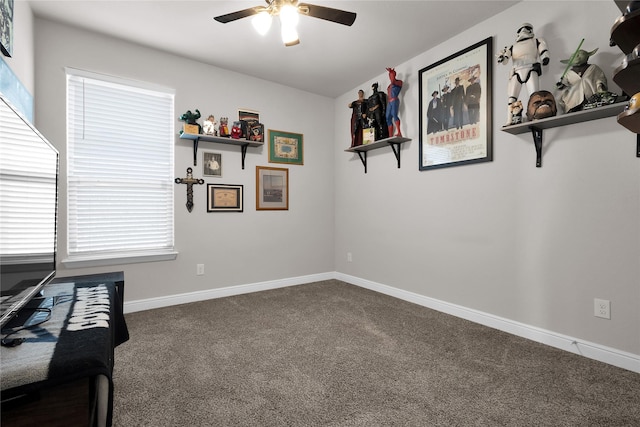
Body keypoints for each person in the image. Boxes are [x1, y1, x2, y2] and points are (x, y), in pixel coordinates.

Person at [497, 23, 550, 124]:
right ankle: (509, 120)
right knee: (512, 98)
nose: (524, 30)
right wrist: (502, 57)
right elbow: (505, 60)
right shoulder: (512, 47)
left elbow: (543, 50)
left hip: (531, 68)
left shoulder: (536, 41)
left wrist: (545, 57)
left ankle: (534, 116)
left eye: (526, 28)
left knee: (534, 96)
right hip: (517, 71)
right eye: (521, 29)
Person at [386, 68, 403, 137]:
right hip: (389, 102)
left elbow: (393, 81)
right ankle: (390, 135)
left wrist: (392, 72)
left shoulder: (398, 82)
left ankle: (399, 132)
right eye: (389, 75)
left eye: (391, 75)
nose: (390, 77)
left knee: (394, 115)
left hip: (394, 100)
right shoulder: (389, 86)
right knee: (387, 117)